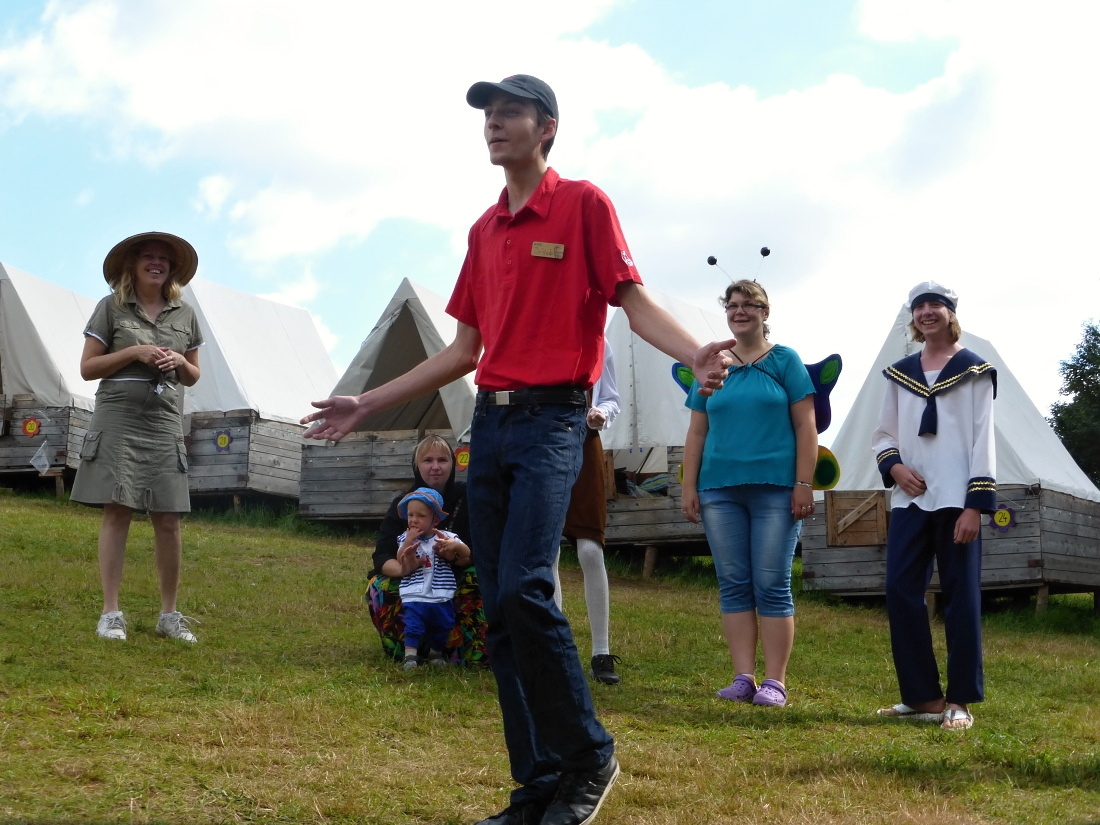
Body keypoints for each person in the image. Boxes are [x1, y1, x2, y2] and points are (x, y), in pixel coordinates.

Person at [303, 74, 733, 825]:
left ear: (548, 128)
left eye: (510, 113)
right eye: (488, 115)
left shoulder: (584, 204)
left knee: (526, 589)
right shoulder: (483, 231)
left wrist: (694, 352)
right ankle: (536, 784)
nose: (494, 124)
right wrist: (368, 402)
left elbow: (632, 302)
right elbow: (462, 350)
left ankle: (589, 757)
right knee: (499, 607)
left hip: (555, 420)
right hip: (492, 425)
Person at [680, 279, 817, 709]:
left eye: (749, 304)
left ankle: (775, 682)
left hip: (777, 490)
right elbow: (697, 431)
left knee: (772, 583)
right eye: (732, 305)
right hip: (718, 491)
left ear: (765, 312)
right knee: (734, 583)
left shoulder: (785, 360)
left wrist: (804, 483)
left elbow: (805, 425)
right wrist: (688, 486)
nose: (739, 311)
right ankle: (743, 678)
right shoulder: (712, 365)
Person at [872, 281, 996, 732]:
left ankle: (960, 700)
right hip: (911, 499)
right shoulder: (900, 374)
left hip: (957, 500)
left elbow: (983, 439)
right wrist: (895, 468)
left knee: (961, 598)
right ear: (913, 316)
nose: (927, 312)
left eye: (935, 305)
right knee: (900, 591)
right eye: (920, 306)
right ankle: (923, 696)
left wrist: (974, 506)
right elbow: (883, 434)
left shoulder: (974, 370)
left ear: (950, 313)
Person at [71, 231, 204, 643]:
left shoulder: (185, 314)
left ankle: (169, 615)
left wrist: (178, 359)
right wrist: (134, 352)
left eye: (163, 258)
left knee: (169, 517)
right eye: (148, 256)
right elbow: (88, 369)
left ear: (172, 269)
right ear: (133, 264)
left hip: (164, 421)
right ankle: (111, 613)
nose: (156, 263)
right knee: (118, 510)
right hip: (118, 417)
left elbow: (193, 376)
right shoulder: (110, 307)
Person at [368, 434, 487, 667]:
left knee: (480, 580)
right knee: (378, 586)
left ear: (452, 464)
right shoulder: (403, 504)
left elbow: (482, 548)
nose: (435, 467)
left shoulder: (468, 498)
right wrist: (403, 569)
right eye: (427, 460)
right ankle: (408, 649)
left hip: (456, 574)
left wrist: (456, 557)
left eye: (442, 460)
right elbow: (382, 554)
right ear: (417, 465)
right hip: (412, 577)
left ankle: (465, 651)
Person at [552, 343, 622, 685]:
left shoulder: (597, 341)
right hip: (543, 442)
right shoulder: (535, 331)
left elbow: (611, 398)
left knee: (591, 549)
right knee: (547, 549)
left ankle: (601, 652)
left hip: (584, 442)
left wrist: (600, 414)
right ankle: (555, 649)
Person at [393, 487, 467, 669]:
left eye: (421, 516)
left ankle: (436, 653)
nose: (414, 520)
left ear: (435, 520)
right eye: (410, 515)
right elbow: (399, 558)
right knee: (413, 625)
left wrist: (455, 546)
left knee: (443, 624)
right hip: (415, 593)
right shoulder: (405, 538)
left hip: (441, 593)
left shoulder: (446, 537)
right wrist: (409, 542)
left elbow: (466, 553)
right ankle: (410, 656)